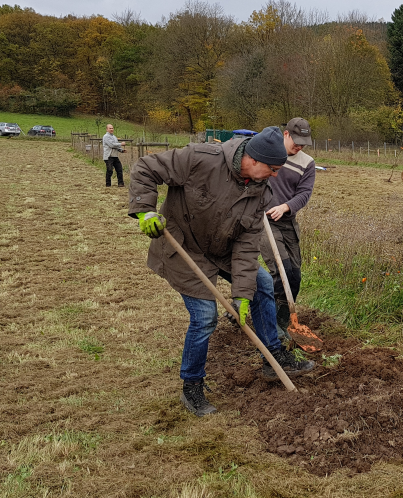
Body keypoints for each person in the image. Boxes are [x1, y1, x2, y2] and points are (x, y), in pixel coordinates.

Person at [128, 126, 316, 417]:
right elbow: (145, 168)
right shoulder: (200, 158)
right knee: (204, 317)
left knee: (262, 283)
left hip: (224, 249)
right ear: (253, 159)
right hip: (185, 247)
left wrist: (241, 296)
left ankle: (272, 356)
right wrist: (145, 210)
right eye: (273, 169)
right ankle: (192, 386)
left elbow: (245, 246)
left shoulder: (260, 191)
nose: (276, 176)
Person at [261, 118, 315, 337]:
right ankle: (270, 322)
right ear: (286, 134)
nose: (299, 146)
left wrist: (285, 207)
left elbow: (304, 194)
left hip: (287, 220)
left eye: (304, 142)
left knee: (294, 275)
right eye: (296, 140)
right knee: (280, 270)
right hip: (263, 220)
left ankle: (283, 319)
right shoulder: (267, 153)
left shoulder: (307, 163)